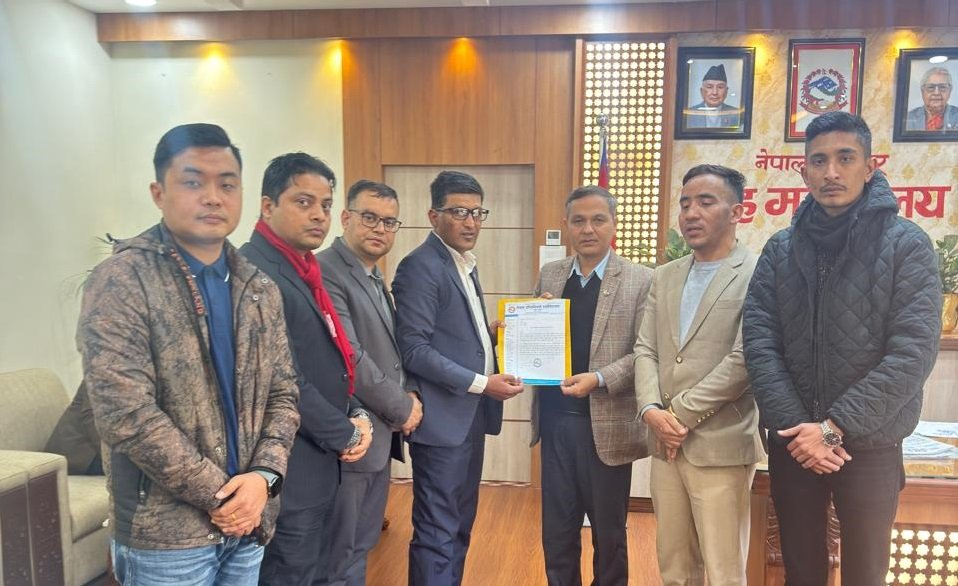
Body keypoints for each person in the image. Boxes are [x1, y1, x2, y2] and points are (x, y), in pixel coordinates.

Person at [77, 123, 300, 585]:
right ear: (159, 193)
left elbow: (283, 392)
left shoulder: (258, 287)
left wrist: (264, 477)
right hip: (167, 537)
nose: (213, 197)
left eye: (227, 185)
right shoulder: (122, 281)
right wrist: (225, 497)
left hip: (249, 521)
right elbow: (126, 413)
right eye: (193, 182)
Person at [743, 112, 942, 585]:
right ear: (804, 172)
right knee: (800, 570)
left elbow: (912, 352)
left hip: (870, 443)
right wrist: (800, 430)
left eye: (845, 158)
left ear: (869, 166)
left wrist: (833, 430)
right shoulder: (780, 249)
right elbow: (759, 341)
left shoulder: (906, 245)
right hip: (795, 441)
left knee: (865, 572)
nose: (831, 172)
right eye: (819, 161)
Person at [240, 153, 375, 586]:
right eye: (303, 202)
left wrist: (356, 411)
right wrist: (345, 433)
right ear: (267, 206)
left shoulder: (304, 269)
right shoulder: (257, 273)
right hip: (288, 470)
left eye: (325, 204)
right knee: (289, 575)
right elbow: (283, 379)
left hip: (318, 464)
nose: (319, 215)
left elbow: (329, 359)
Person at [392, 170, 524, 586]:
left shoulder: (463, 263)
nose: (471, 222)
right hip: (441, 424)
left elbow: (452, 334)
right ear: (434, 216)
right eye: (459, 212)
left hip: (468, 419)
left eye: (477, 212)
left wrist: (493, 332)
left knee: (460, 524)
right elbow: (415, 349)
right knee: (438, 532)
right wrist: (484, 383)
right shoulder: (420, 266)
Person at [634, 165, 763, 586]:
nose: (691, 213)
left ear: (737, 211)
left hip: (720, 443)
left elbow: (745, 358)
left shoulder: (757, 272)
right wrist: (651, 410)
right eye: (685, 203)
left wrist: (679, 416)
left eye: (705, 202)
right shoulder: (665, 275)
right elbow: (646, 348)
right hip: (665, 443)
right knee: (674, 568)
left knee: (724, 572)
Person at [531, 185, 652, 586]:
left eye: (598, 220)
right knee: (557, 532)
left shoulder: (640, 279)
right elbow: (533, 338)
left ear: (613, 225)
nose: (588, 229)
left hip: (606, 426)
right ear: (566, 224)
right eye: (579, 220)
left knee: (609, 535)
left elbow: (644, 353)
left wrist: (599, 379)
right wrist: (510, 333)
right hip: (555, 424)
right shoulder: (551, 274)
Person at [316, 180, 423, 586]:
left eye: (389, 222)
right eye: (370, 218)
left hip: (378, 438)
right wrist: (403, 406)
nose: (380, 228)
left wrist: (410, 390)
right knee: (338, 554)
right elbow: (351, 356)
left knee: (360, 545)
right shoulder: (326, 271)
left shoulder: (374, 275)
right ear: (346, 218)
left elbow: (392, 351)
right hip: (350, 434)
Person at [686, 64, 741, 129]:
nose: (715, 92)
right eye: (709, 87)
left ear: (726, 91)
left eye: (720, 87)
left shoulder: (737, 114)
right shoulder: (689, 114)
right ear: (701, 91)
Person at [905, 67, 958, 131]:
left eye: (942, 87)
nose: (936, 93)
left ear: (949, 91)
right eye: (931, 87)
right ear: (922, 91)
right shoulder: (908, 118)